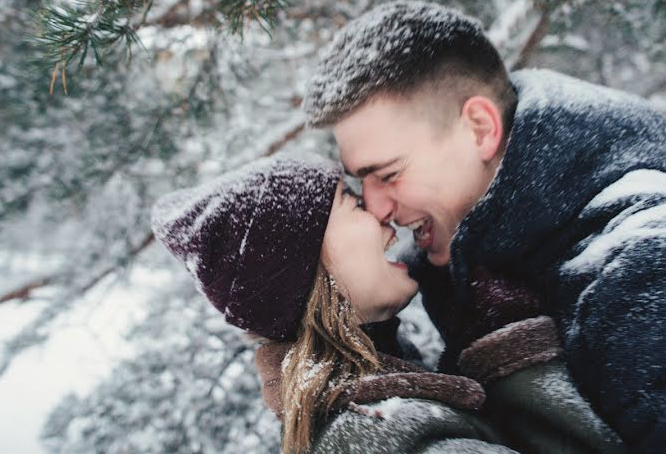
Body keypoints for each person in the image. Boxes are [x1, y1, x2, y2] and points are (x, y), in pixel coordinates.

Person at [303, 0, 666, 451]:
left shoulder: (661, 264)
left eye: (388, 174)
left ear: (479, 128)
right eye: (362, 181)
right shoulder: (484, 271)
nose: (376, 207)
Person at [150, 156, 619, 453]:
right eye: (353, 207)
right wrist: (515, 360)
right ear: (307, 267)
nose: (384, 219)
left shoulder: (376, 412)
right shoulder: (375, 435)